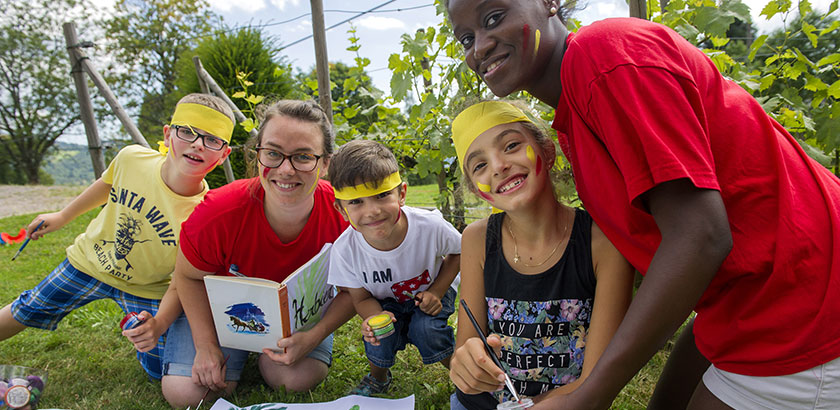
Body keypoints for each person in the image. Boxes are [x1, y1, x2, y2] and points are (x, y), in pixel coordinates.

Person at [446, 1, 840, 409]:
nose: (480, 47)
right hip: (743, 302)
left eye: (494, 17)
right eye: (466, 38)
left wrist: (590, 394)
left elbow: (701, 235)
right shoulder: (577, 112)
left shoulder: (604, 58)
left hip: (807, 304)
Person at [0, 93, 235, 380]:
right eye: (187, 131)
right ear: (168, 134)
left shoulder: (204, 213)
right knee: (29, 307)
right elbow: (106, 184)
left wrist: (159, 323)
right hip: (90, 263)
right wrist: (62, 216)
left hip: (147, 288)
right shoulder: (132, 158)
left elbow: (181, 279)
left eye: (212, 140)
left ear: (224, 154)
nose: (197, 144)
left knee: (161, 369)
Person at [160, 99, 353, 407]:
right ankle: (227, 351)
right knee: (187, 394)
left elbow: (356, 289)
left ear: (325, 162)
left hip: (301, 320)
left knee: (294, 380)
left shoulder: (345, 214)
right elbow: (187, 276)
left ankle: (261, 359)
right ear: (258, 153)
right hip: (220, 315)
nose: (286, 170)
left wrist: (314, 336)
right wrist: (207, 345)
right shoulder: (218, 212)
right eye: (273, 154)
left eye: (303, 156)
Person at [447, 100, 634, 409]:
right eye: (480, 165)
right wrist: (466, 364)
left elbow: (597, 377)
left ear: (547, 151)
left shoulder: (602, 242)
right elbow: (468, 343)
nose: (498, 166)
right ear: (477, 188)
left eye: (510, 146)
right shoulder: (476, 239)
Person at [326, 139, 462, 396]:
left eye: (381, 195)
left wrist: (437, 290)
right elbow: (361, 297)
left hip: (431, 294)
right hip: (383, 303)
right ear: (341, 209)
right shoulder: (345, 250)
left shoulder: (429, 225)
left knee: (427, 330)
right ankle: (378, 378)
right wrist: (372, 318)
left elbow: (458, 252)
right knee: (378, 335)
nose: (372, 211)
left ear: (401, 193)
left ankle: (461, 374)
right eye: (356, 202)